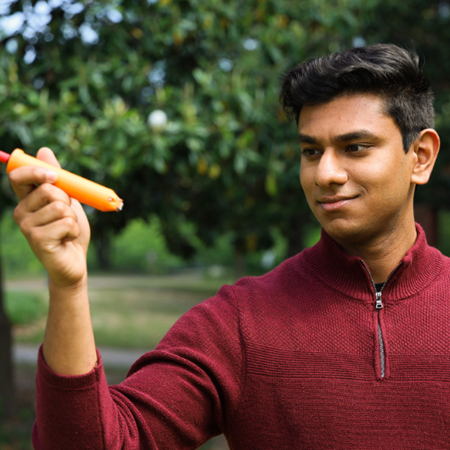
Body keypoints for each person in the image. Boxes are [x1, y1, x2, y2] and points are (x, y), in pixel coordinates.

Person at [9, 43, 448, 449]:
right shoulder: (239, 322)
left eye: (355, 147)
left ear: (421, 156)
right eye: (311, 152)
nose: (325, 174)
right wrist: (68, 286)